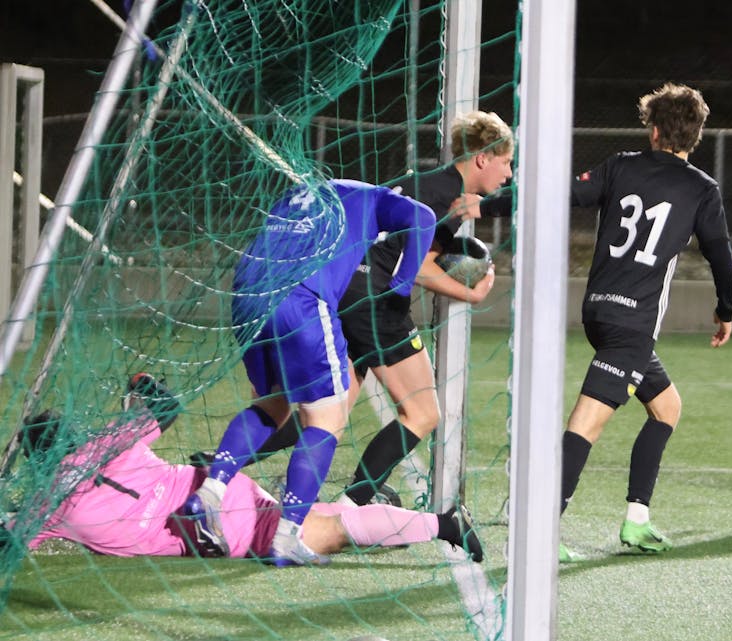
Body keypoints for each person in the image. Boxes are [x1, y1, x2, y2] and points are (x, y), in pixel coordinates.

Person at [250, 111, 513, 510]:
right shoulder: (447, 198)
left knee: (326, 415)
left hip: (343, 293)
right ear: (483, 158)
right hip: (377, 303)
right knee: (423, 413)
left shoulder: (419, 182)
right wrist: (470, 293)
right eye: (506, 162)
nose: (508, 174)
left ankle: (214, 467)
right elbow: (420, 268)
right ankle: (352, 506)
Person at [181, 179, 436, 566]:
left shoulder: (301, 195)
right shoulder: (376, 197)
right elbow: (423, 216)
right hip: (301, 299)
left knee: (272, 405)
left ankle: (210, 492)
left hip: (248, 296)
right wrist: (400, 288)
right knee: (327, 417)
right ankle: (288, 538)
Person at [8, 374, 482, 563]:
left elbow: (9, 537)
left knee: (332, 533)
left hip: (217, 532)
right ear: (73, 435)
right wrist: (139, 385)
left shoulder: (46, 507)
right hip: (219, 491)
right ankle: (434, 522)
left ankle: (442, 525)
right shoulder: (109, 444)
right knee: (322, 519)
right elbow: (164, 404)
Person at [558, 83, 732, 562]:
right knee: (586, 424)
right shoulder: (701, 188)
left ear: (654, 130)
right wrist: (726, 309)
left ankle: (637, 521)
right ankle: (541, 527)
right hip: (632, 325)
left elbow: (570, 194)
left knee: (667, 408)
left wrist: (495, 202)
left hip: (598, 309)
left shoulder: (618, 165)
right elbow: (721, 255)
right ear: (694, 136)